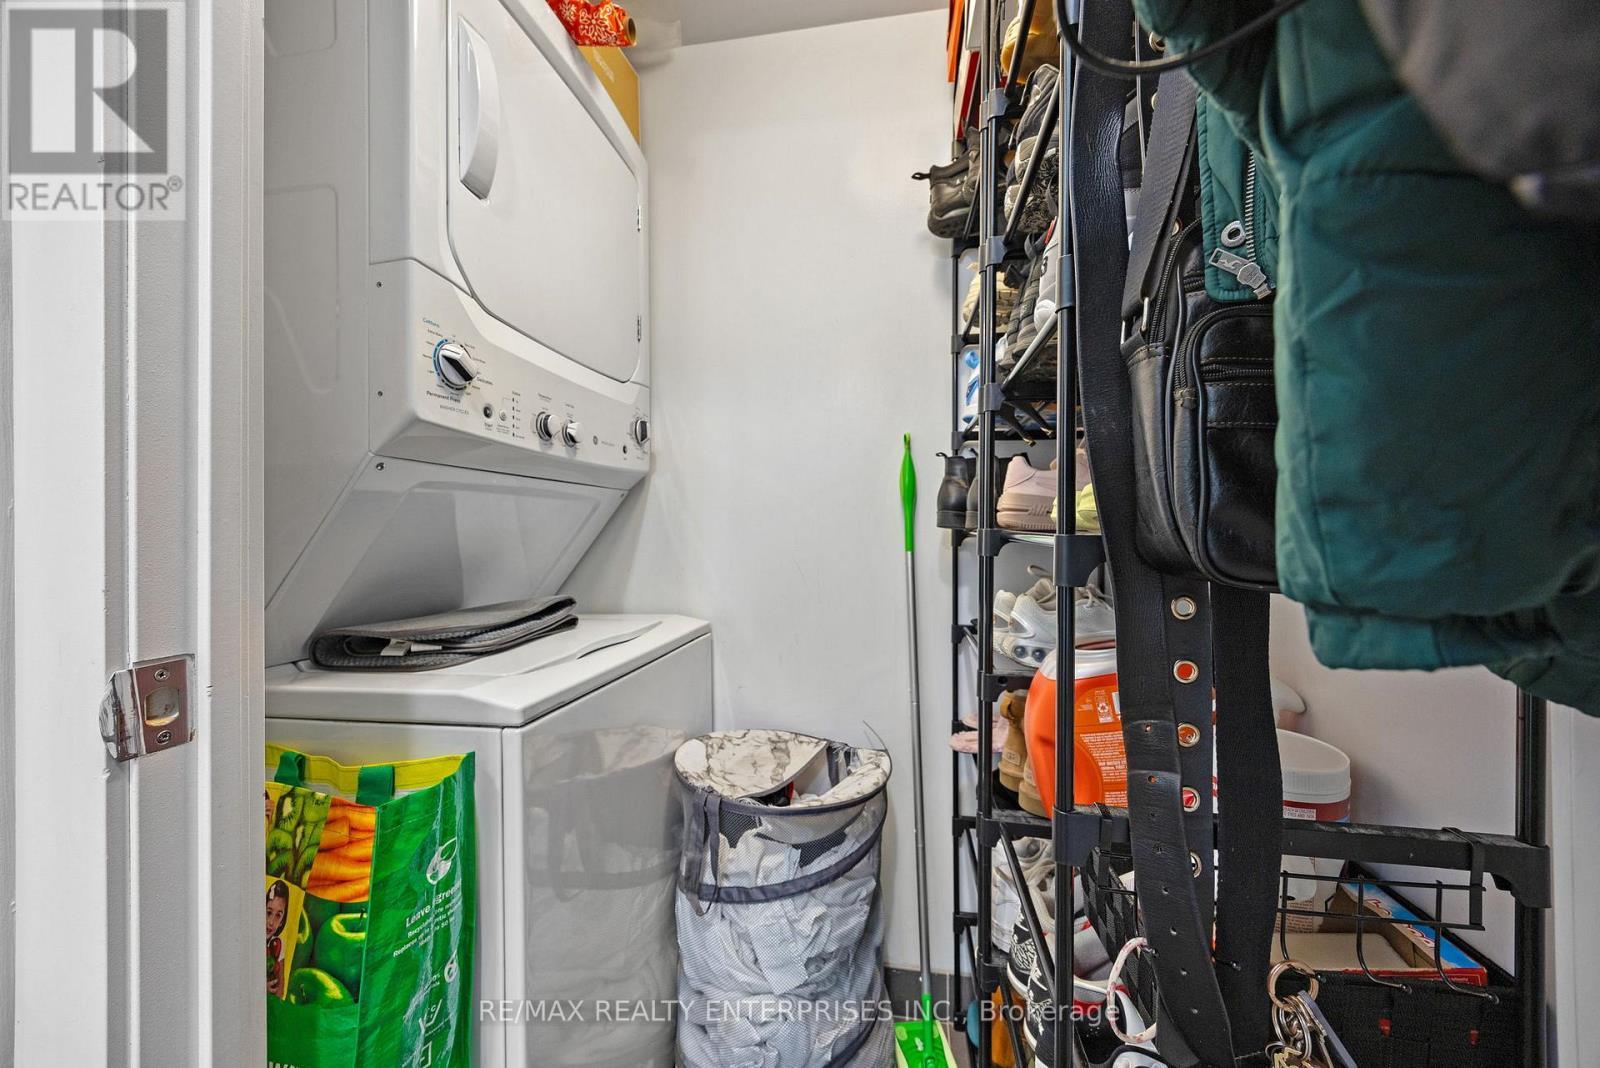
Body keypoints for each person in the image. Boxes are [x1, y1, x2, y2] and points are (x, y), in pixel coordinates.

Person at [266, 879, 291, 997]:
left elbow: (281, 986)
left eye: (278, 916)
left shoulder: (277, 944)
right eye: (268, 913)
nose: (271, 922)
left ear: (282, 921)